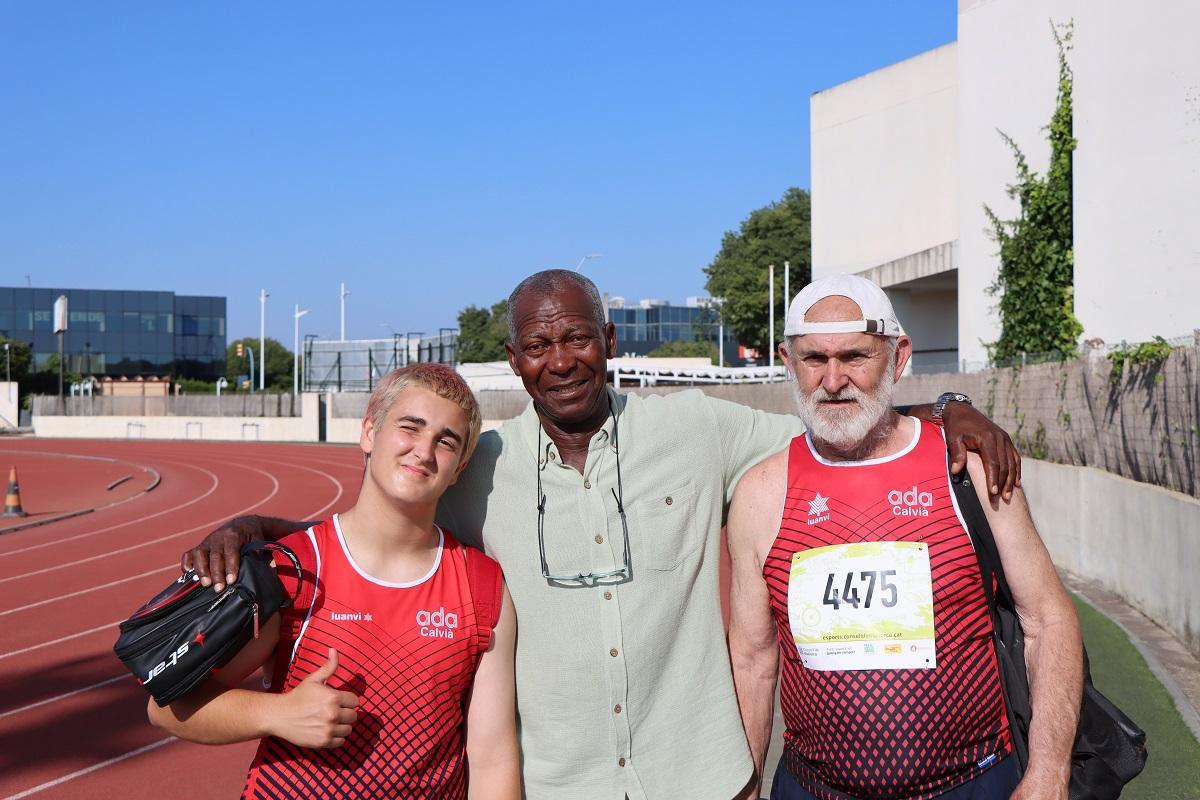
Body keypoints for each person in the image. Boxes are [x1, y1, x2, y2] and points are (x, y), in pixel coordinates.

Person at [183, 270, 1022, 800]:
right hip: (555, 785)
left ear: (609, 342)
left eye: (578, 336)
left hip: (699, 777)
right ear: (514, 359)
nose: (562, 359)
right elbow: (379, 527)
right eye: (540, 344)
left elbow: (833, 427)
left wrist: (941, 410)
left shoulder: (696, 429)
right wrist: (256, 525)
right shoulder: (482, 462)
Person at [727, 274, 1082, 800]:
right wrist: (747, 786)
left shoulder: (967, 468)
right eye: (814, 359)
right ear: (788, 363)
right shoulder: (760, 493)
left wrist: (1049, 772)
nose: (833, 380)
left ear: (898, 358)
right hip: (814, 788)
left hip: (974, 782)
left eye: (855, 356)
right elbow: (754, 659)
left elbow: (1048, 620)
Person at [150, 364, 520, 799]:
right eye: (410, 428)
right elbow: (167, 707)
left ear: (458, 469)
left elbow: (492, 754)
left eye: (446, 441)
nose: (424, 451)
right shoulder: (293, 569)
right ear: (369, 433)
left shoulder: (482, 586)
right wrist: (277, 714)